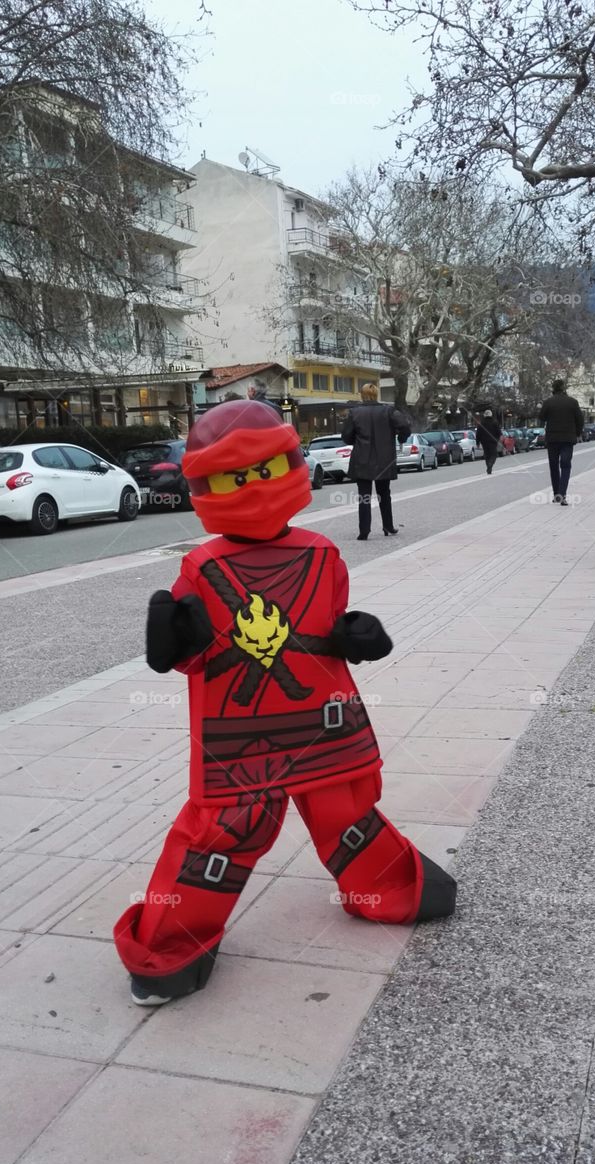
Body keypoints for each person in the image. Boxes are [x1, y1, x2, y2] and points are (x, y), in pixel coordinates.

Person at [114, 399, 456, 1005]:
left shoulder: (322, 556)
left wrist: (359, 634)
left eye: (263, 470)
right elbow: (197, 655)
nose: (252, 487)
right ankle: (168, 948)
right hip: (245, 732)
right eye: (235, 476)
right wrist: (174, 643)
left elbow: (328, 630)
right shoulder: (200, 568)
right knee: (228, 829)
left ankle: (387, 887)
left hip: (315, 721)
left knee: (344, 810)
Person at [341, 383, 411, 539]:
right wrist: (400, 437)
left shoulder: (354, 413)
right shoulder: (389, 411)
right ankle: (388, 526)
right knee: (384, 493)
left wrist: (356, 441)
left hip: (362, 458)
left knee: (364, 496)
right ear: (376, 394)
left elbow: (346, 436)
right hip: (384, 458)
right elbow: (405, 426)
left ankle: (364, 531)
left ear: (362, 395)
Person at [539, 379, 584, 505]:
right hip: (568, 439)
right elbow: (580, 419)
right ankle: (562, 494)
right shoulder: (573, 402)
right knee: (565, 465)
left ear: (553, 388)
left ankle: (556, 494)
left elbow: (541, 417)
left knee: (554, 467)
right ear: (564, 388)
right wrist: (578, 433)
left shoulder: (548, 402)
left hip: (552, 439)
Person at [476, 409, 502, 475]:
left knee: (487, 455)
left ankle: (488, 466)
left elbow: (478, 434)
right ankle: (490, 465)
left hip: (484, 442)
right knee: (493, 454)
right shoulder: (495, 422)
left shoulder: (481, 423)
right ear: (491, 415)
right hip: (493, 441)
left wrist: (477, 443)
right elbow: (499, 432)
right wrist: (498, 439)